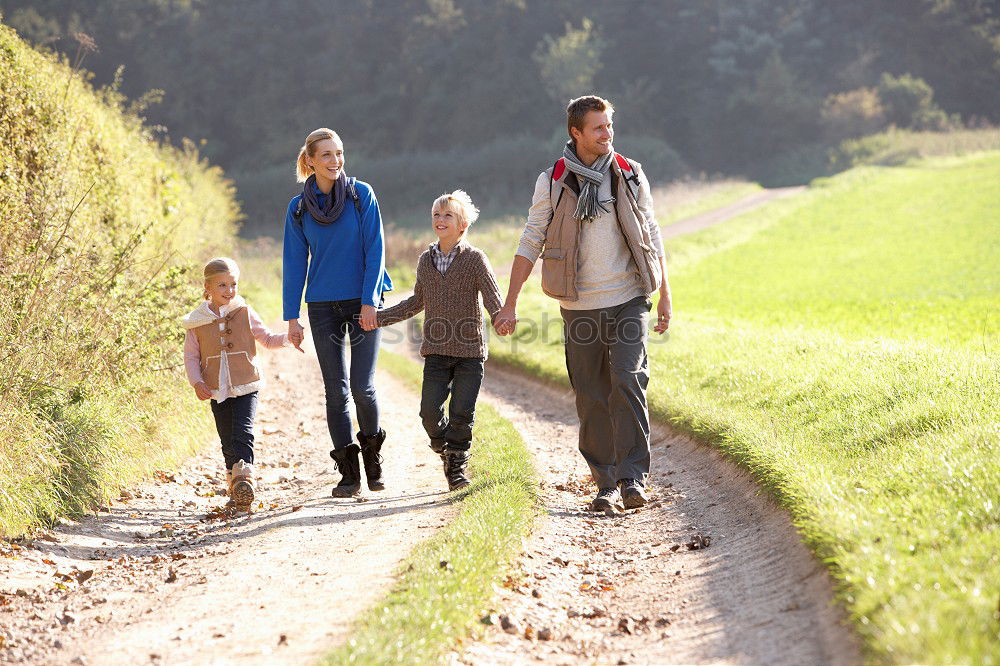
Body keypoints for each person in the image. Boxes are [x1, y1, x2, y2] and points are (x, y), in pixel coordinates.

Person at [494, 95, 673, 512]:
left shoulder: (629, 174)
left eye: (610, 125)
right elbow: (531, 239)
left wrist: (665, 294)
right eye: (598, 128)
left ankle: (633, 479)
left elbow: (651, 233)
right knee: (591, 394)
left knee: (628, 379)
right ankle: (606, 482)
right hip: (579, 305)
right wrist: (511, 302)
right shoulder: (553, 181)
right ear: (576, 133)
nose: (607, 134)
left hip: (629, 297)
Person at [369, 190, 505, 490]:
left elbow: (492, 296)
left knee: (462, 413)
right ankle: (445, 447)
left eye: (448, 216)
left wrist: (500, 317)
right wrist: (379, 318)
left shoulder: (474, 259)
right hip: (436, 352)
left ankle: (456, 467)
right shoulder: (425, 261)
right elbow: (416, 302)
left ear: (463, 226)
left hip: (469, 352)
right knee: (429, 412)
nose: (440, 220)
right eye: (436, 215)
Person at [282, 128, 393, 498]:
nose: (335, 161)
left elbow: (376, 249)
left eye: (340, 153)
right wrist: (291, 317)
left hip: (363, 302)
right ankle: (348, 475)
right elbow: (295, 263)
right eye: (326, 155)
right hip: (322, 306)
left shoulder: (361, 196)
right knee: (335, 391)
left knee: (362, 386)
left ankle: (373, 460)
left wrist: (368, 301)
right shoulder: (298, 209)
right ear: (310, 160)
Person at [182, 257, 293, 508]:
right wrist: (197, 382)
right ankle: (235, 488)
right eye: (222, 285)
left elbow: (266, 338)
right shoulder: (196, 321)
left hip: (246, 383)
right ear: (207, 287)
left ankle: (245, 478)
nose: (229, 291)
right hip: (215, 386)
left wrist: (289, 338)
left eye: (233, 284)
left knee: (243, 431)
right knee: (227, 439)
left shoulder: (244, 311)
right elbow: (191, 356)